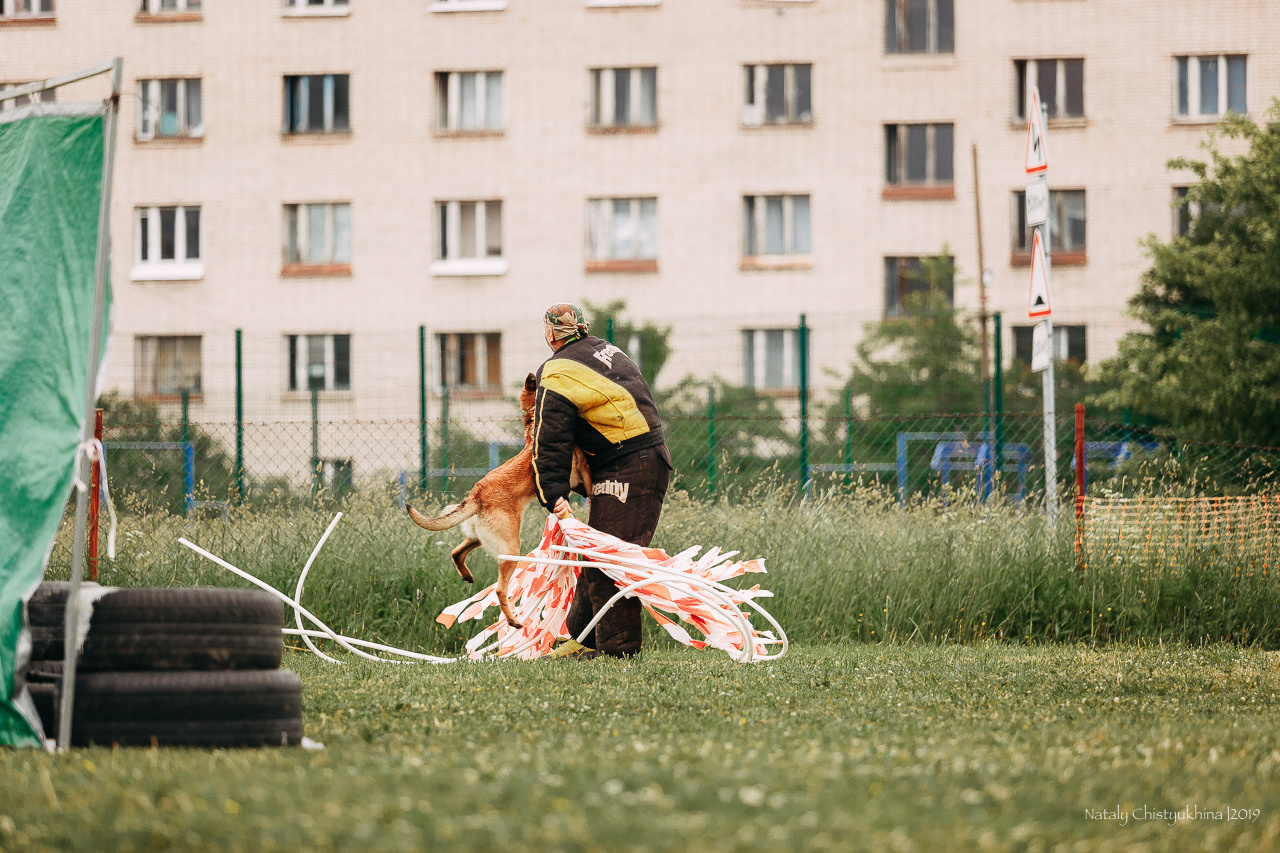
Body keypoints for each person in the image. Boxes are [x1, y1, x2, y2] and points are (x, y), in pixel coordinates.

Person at [531, 303, 672, 659]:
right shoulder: (605, 349)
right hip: (646, 458)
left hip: (628, 464)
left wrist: (553, 493)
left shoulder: (556, 371)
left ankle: (618, 651)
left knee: (608, 562)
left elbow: (551, 438)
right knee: (594, 555)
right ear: (582, 328)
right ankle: (583, 639)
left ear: (550, 333)